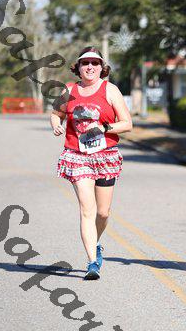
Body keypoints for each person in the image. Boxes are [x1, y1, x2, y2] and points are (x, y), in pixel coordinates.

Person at [51, 47, 132, 280]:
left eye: (95, 63)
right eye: (85, 63)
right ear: (78, 67)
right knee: (87, 210)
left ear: (101, 67)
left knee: (103, 213)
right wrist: (56, 125)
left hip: (105, 156)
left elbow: (127, 123)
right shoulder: (69, 90)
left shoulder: (110, 90)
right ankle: (92, 262)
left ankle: (96, 243)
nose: (90, 67)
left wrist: (104, 128)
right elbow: (56, 113)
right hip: (78, 156)